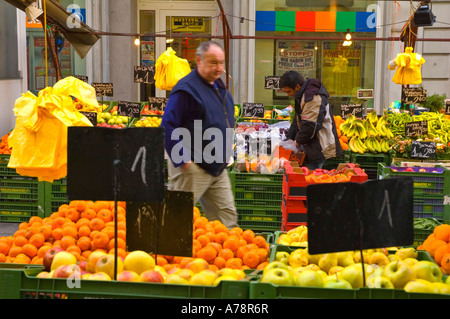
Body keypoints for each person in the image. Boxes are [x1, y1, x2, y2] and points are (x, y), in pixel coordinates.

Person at [161, 41, 238, 229]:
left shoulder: (217, 87)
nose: (219, 68)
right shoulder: (187, 90)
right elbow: (167, 126)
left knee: (227, 218)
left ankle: (227, 256)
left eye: (221, 63)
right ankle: (164, 256)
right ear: (198, 61)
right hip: (193, 165)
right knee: (176, 219)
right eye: (213, 62)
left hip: (217, 167)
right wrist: (183, 161)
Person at [279, 70, 342, 170]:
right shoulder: (303, 95)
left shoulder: (312, 98)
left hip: (319, 146)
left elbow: (310, 125)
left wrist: (296, 142)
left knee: (311, 178)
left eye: (289, 91)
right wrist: (290, 137)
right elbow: (298, 118)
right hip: (311, 145)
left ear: (297, 87)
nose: (288, 94)